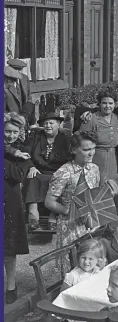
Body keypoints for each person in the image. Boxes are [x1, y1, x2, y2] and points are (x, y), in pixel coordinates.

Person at [45, 131, 100, 277]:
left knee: (91, 264)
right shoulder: (64, 172)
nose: (91, 153)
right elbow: (49, 202)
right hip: (70, 225)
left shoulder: (94, 169)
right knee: (73, 267)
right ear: (74, 150)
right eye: (86, 149)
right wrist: (70, 211)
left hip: (90, 224)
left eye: (93, 148)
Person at [23, 112, 72, 231]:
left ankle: (53, 215)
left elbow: (71, 158)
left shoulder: (66, 139)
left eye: (51, 123)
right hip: (38, 170)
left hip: (58, 171)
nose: (48, 126)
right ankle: (33, 215)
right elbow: (26, 153)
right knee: (32, 178)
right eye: (45, 123)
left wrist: (63, 171)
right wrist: (31, 167)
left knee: (60, 181)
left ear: (59, 124)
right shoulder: (36, 136)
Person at [4, 113, 32, 304]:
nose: (10, 136)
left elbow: (17, 175)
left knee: (9, 248)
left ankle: (11, 285)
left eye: (14, 132)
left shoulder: (23, 151)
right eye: (6, 131)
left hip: (10, 202)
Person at [80, 90, 118, 185]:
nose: (107, 106)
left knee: (111, 186)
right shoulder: (91, 118)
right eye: (104, 103)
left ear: (115, 104)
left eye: (110, 103)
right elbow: (81, 139)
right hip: (96, 157)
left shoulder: (117, 117)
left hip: (113, 158)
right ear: (99, 104)